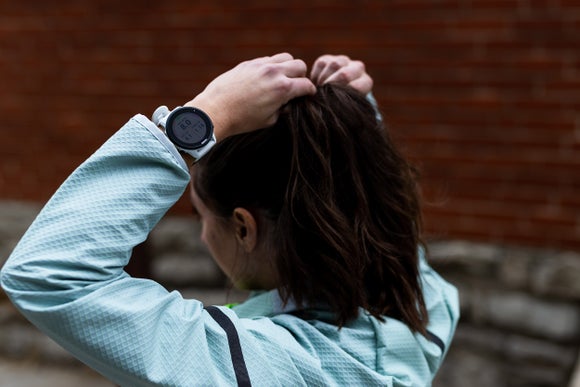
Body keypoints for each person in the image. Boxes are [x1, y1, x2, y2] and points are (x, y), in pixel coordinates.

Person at [0, 53, 459, 386]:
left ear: (244, 227)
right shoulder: (423, 315)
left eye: (202, 215)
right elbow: (383, 226)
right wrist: (355, 126)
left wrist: (194, 125)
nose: (200, 236)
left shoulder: (258, 368)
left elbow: (47, 275)